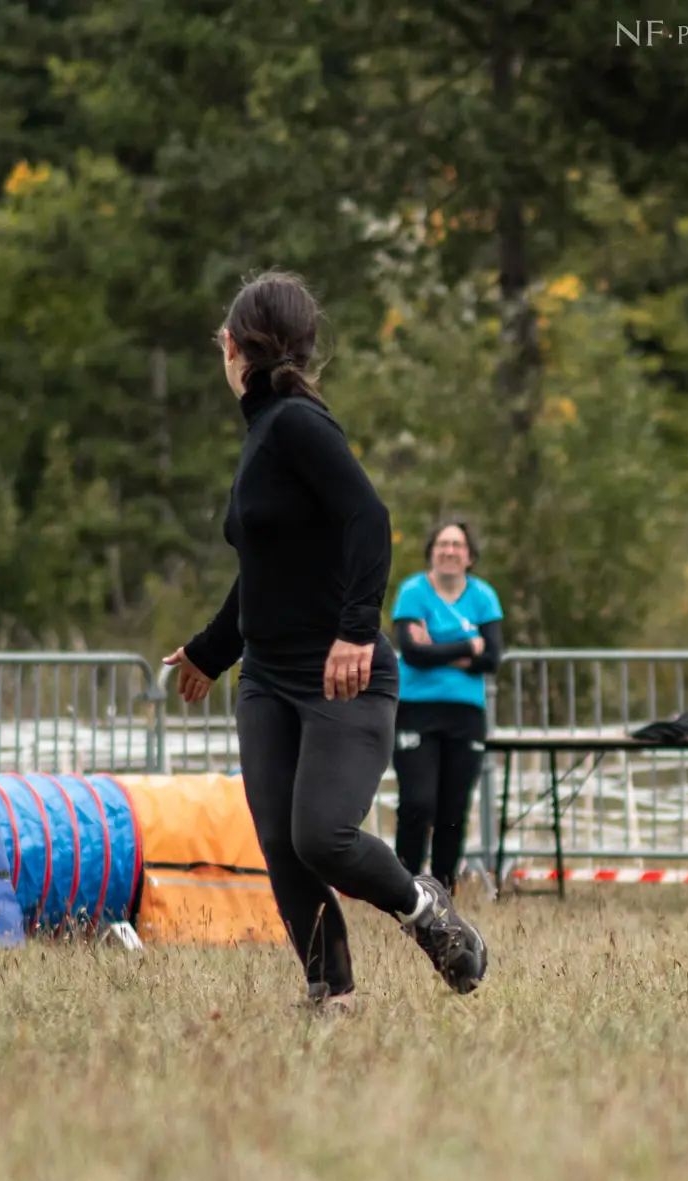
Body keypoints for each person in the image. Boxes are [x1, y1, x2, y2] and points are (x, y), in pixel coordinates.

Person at [163, 271, 486, 1010]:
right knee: (280, 840)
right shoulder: (264, 433)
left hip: (343, 675)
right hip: (268, 680)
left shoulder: (298, 425)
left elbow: (368, 519)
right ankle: (330, 992)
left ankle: (427, 911)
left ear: (234, 346)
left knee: (324, 835)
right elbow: (265, 568)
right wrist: (213, 651)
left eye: (222, 336)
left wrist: (353, 632)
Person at [390, 519, 503, 893]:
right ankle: (404, 888)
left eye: (457, 544)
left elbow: (492, 659)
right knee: (418, 802)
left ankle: (442, 891)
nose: (450, 551)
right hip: (416, 709)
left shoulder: (483, 596)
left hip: (465, 714)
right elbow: (413, 653)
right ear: (432, 551)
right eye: (442, 544)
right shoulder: (412, 592)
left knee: (453, 809)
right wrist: (468, 646)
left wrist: (437, 647)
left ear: (469, 555)